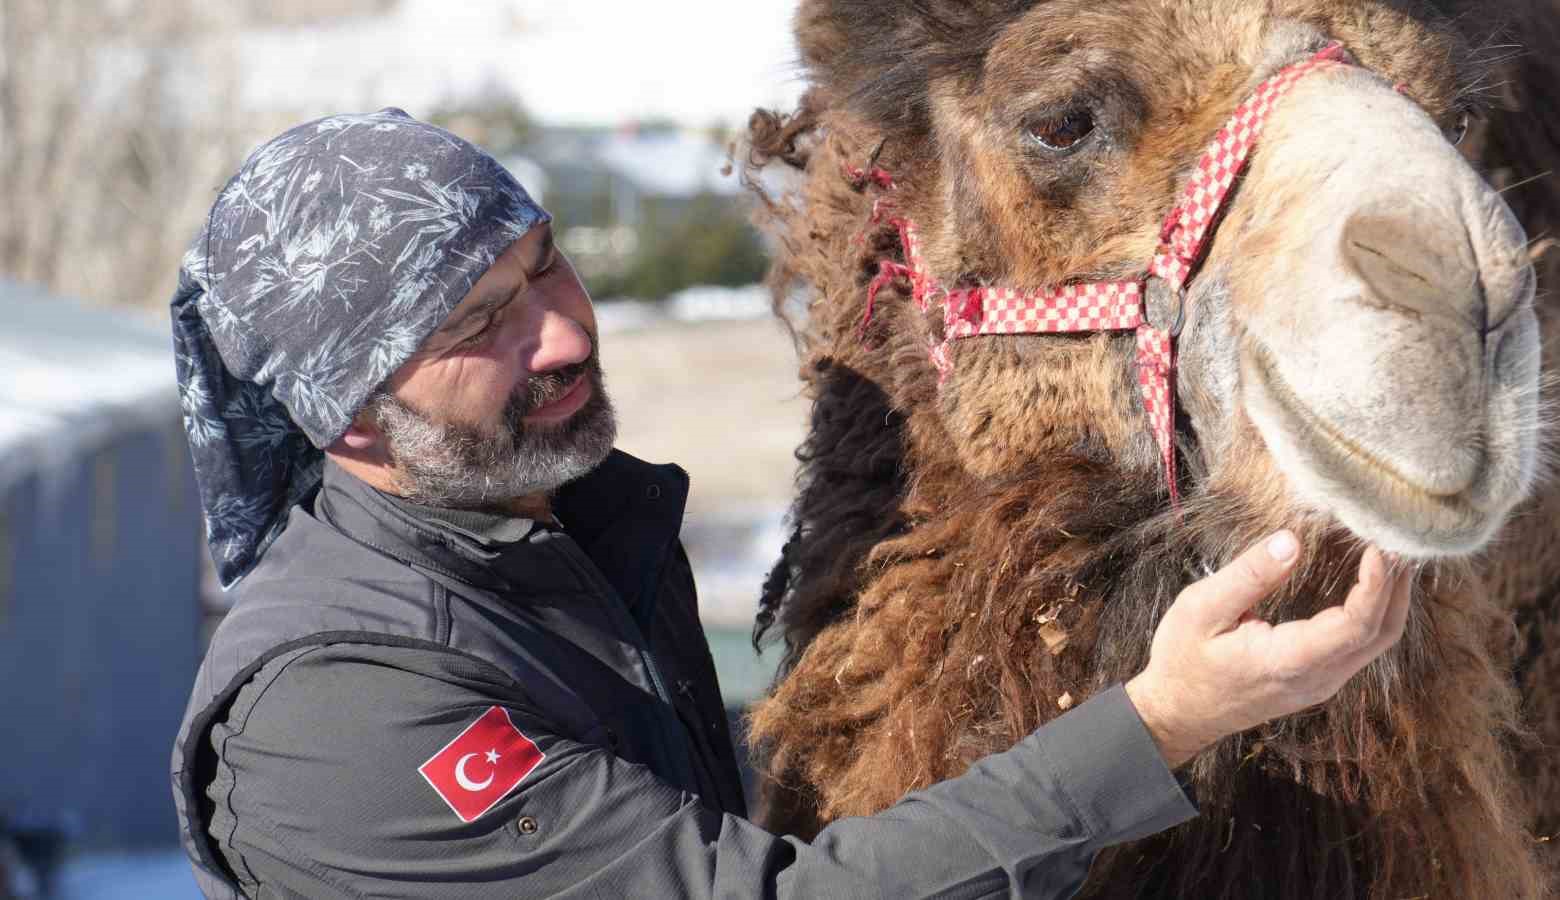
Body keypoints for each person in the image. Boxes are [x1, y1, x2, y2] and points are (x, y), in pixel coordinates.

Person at [169, 110, 1411, 900]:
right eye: (475, 323)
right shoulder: (343, 713)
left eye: (544, 263)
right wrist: (1162, 722)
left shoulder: (554, 535)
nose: (559, 332)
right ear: (348, 414)